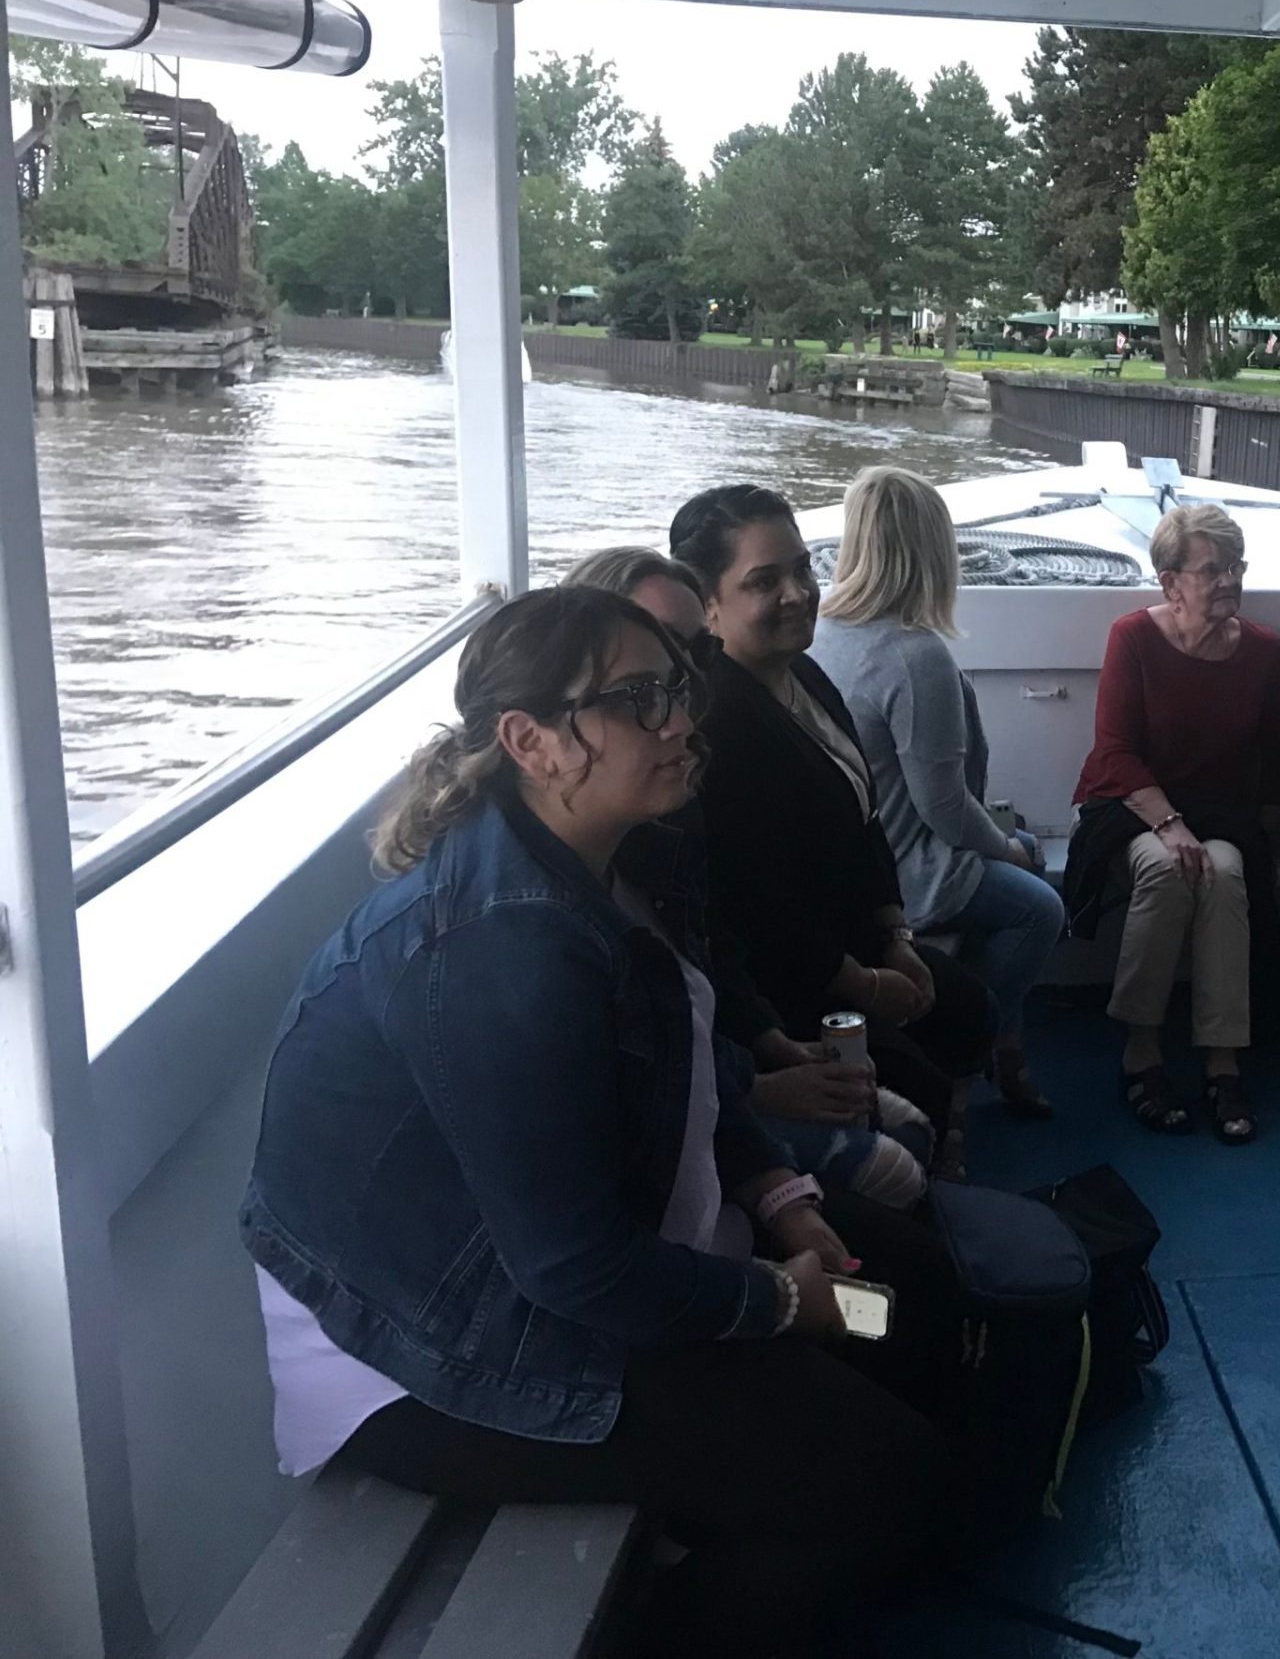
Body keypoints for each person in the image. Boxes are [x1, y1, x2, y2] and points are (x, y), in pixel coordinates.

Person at [240, 588, 961, 1657]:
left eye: (675, 686)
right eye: (637, 701)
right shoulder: (498, 954)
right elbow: (571, 1270)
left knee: (903, 1311)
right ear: (532, 742)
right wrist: (774, 1301)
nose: (681, 719)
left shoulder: (624, 855)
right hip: (441, 1344)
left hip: (609, 1265)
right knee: (885, 1480)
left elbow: (693, 1064)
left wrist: (783, 1196)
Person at [563, 545, 933, 1205]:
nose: (685, 705)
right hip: (659, 1168)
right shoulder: (545, 901)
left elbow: (713, 952)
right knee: (900, 1161)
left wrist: (771, 1044)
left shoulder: (669, 816)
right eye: (646, 685)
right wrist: (760, 1094)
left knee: (910, 1125)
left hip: (727, 1066)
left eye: (698, 657)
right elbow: (617, 1100)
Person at [669, 484, 999, 1182]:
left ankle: (946, 1154)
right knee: (922, 1082)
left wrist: (898, 936)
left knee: (968, 1008)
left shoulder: (803, 676)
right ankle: (930, 1180)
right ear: (708, 603)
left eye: (802, 570)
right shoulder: (721, 724)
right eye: (765, 581)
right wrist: (866, 984)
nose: (797, 593)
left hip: (858, 938)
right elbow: (759, 910)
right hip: (794, 983)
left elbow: (867, 820)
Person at [810, 468, 1057, 1120]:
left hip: (857, 857)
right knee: (1040, 907)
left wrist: (1009, 845)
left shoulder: (824, 631)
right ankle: (966, 1052)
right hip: (909, 872)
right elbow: (943, 809)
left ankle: (1005, 1047)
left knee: (1023, 848)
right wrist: (1006, 847)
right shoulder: (914, 656)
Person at [1064, 503, 1280, 1143]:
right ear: (1170, 583)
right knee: (1174, 868)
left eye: (1236, 567)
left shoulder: (1261, 652)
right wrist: (1168, 822)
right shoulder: (1133, 638)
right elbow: (1114, 752)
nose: (1228, 581)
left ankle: (1222, 1059)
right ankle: (1141, 1050)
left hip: (1220, 815)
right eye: (1212, 570)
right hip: (1128, 807)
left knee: (1225, 872)